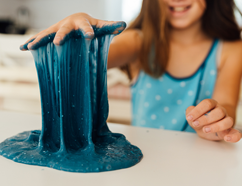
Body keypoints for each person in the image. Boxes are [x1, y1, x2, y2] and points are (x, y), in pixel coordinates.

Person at [20, 0, 242, 143]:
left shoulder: (232, 49)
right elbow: (91, 59)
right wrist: (79, 32)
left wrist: (217, 124)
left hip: (202, 163)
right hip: (144, 163)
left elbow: (226, 106)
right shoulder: (139, 41)